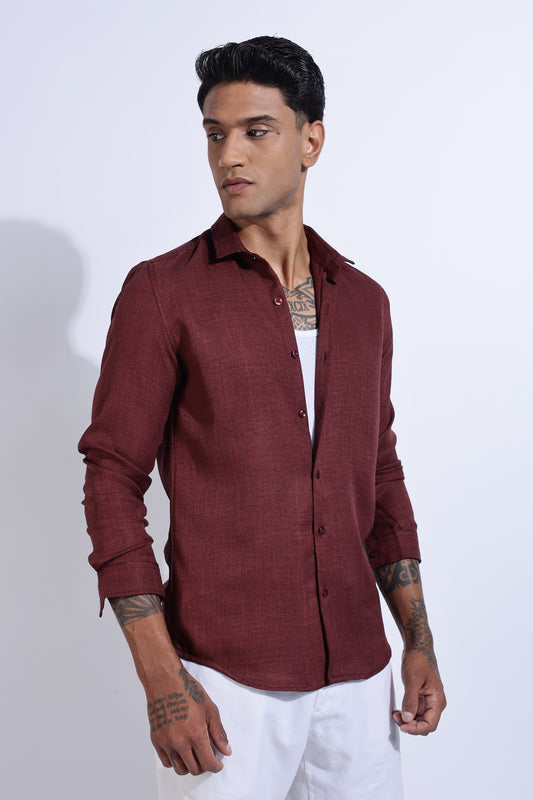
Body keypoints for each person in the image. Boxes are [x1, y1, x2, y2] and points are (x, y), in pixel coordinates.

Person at [79, 36, 446, 800]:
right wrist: (162, 678)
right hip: (222, 687)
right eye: (215, 134)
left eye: (255, 131)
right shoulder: (163, 293)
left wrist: (418, 639)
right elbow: (112, 478)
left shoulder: (364, 303)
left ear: (311, 140)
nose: (229, 156)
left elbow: (378, 474)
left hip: (358, 681)